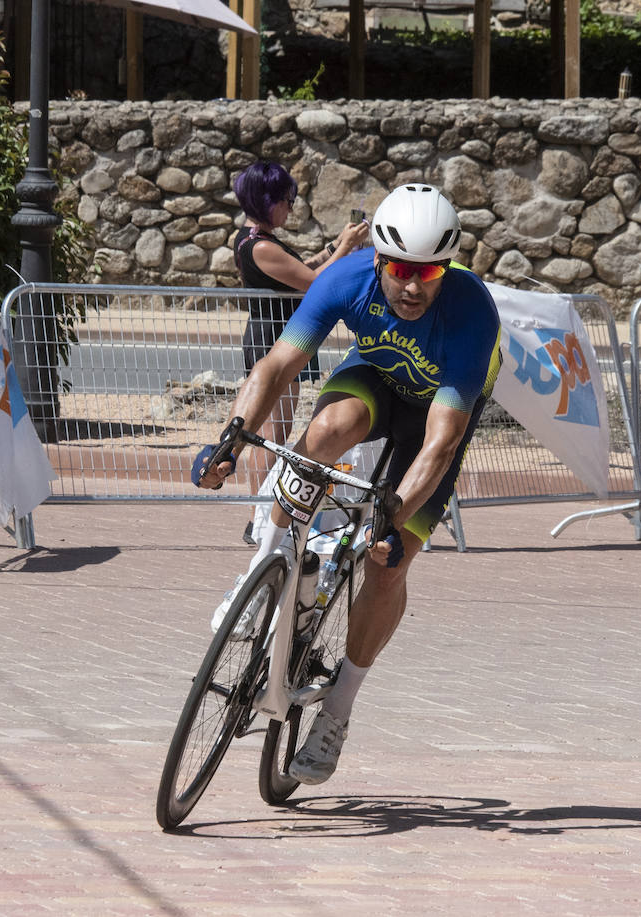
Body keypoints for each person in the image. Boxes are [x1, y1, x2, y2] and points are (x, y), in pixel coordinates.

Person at [193, 183, 501, 785]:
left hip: (437, 412)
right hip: (378, 378)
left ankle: (337, 711)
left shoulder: (470, 311)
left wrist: (393, 518)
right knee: (329, 427)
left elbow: (440, 442)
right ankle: (268, 559)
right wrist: (230, 436)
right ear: (380, 260)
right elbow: (278, 364)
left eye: (430, 271)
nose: (414, 286)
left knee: (390, 564)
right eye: (402, 270)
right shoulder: (347, 277)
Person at [232, 160, 368, 544]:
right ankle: (258, 513)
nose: (291, 208)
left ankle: (262, 511)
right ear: (267, 199)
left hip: (280, 335)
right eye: (287, 200)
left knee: (275, 429)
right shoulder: (259, 246)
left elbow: (299, 269)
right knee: (269, 433)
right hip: (272, 339)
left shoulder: (255, 239)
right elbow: (313, 284)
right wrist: (343, 248)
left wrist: (331, 248)